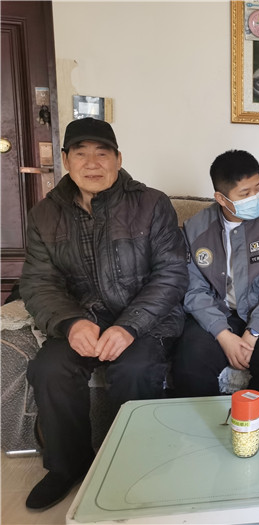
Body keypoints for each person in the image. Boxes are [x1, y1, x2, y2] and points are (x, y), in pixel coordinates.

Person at [20, 117, 188, 510]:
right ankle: (67, 466)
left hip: (146, 323)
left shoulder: (151, 203)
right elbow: (38, 282)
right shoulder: (44, 214)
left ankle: (130, 464)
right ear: (65, 160)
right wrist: (70, 322)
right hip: (84, 319)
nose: (92, 163)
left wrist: (129, 326)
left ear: (118, 159)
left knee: (134, 369)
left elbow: (171, 274)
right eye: (81, 154)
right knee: (50, 368)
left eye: (102, 153)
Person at [172, 150, 259, 396]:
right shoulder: (195, 228)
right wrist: (223, 334)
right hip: (216, 313)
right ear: (221, 198)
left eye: (258, 188)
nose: (255, 197)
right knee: (190, 370)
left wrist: (253, 333)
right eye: (245, 193)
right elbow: (193, 289)